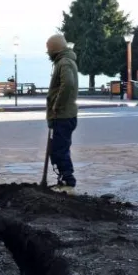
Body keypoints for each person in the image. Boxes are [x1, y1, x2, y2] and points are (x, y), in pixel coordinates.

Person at [46, 33, 79, 189]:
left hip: (62, 115)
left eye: (49, 49)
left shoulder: (64, 62)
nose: (48, 53)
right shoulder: (63, 62)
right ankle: (64, 178)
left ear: (55, 49)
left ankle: (68, 180)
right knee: (57, 149)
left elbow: (68, 84)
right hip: (61, 115)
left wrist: (57, 105)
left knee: (60, 150)